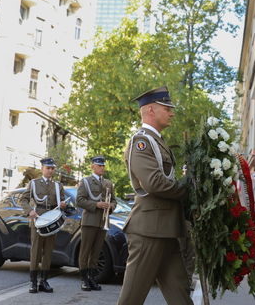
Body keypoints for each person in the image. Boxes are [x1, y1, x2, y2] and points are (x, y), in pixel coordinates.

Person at [117, 86, 191, 305]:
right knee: (131, 299)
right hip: (149, 231)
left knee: (181, 296)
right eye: (166, 107)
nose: (171, 112)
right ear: (150, 110)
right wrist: (189, 188)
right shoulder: (141, 142)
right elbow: (154, 183)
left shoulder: (158, 141)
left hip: (167, 230)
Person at [23, 157, 71, 294]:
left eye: (52, 168)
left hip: (52, 219)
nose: (50, 170)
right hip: (38, 219)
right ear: (42, 169)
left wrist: (63, 204)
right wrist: (29, 211)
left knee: (48, 251)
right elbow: (24, 200)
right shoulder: (33, 183)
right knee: (36, 251)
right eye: (48, 168)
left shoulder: (58, 185)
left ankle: (43, 281)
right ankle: (33, 282)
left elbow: (61, 202)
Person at [76, 155, 116, 291]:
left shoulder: (108, 183)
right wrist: (96, 204)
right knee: (85, 251)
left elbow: (115, 201)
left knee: (96, 251)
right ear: (92, 166)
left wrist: (111, 206)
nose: (102, 168)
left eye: (103, 165)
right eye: (99, 165)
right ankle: (84, 279)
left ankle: (92, 278)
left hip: (103, 221)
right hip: (89, 221)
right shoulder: (86, 181)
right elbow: (79, 200)